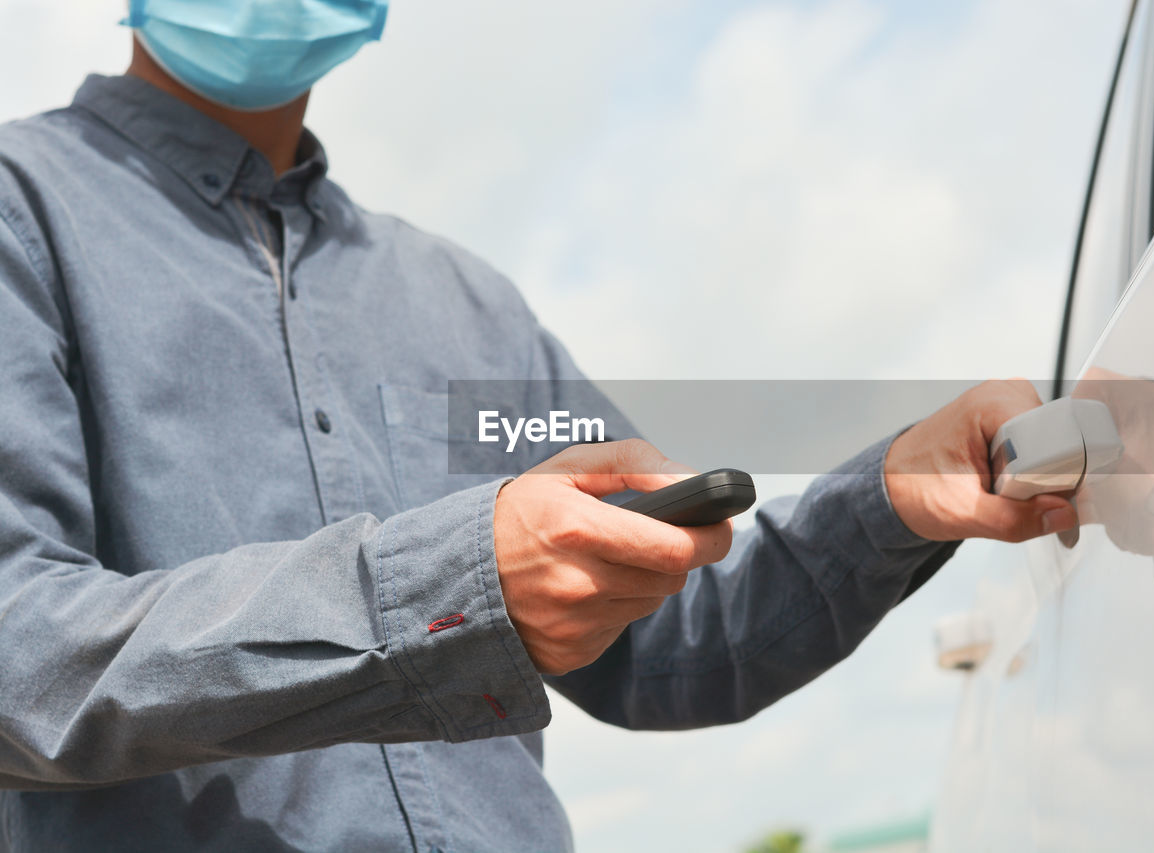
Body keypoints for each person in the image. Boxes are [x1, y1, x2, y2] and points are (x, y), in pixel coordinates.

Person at [0, 2, 1078, 849]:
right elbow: (20, 655)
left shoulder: (465, 305)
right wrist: (447, 586)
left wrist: (890, 497)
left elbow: (676, 647)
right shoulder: (24, 211)